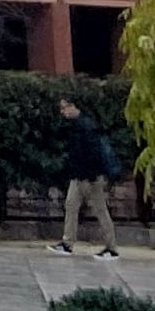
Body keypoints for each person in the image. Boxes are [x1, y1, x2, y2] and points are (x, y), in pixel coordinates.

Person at [51, 97, 121, 258]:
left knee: (99, 209)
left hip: (90, 177)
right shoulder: (78, 126)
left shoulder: (85, 127)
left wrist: (91, 175)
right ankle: (67, 242)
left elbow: (93, 153)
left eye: (64, 108)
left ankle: (112, 247)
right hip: (80, 175)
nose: (62, 112)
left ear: (73, 106)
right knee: (71, 205)